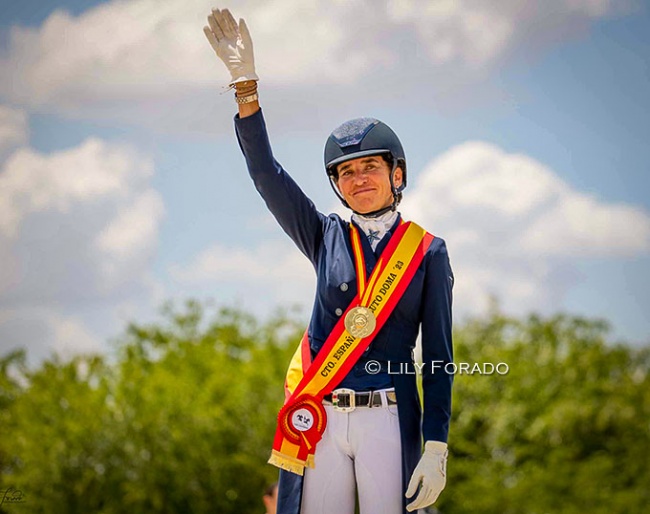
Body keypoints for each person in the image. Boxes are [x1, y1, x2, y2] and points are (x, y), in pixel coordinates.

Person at [204, 8, 454, 514]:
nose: (359, 179)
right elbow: (266, 175)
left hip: (388, 414)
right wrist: (245, 90)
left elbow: (439, 356)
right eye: (346, 172)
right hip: (319, 414)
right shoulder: (323, 234)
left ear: (396, 174)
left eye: (370, 167)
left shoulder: (427, 251)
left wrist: (437, 443)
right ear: (336, 186)